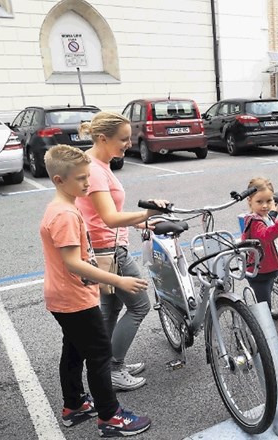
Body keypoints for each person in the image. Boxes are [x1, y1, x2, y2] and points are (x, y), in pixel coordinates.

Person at [40, 145, 151, 436]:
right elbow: (73, 263)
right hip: (73, 298)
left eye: (88, 177)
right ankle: (110, 417)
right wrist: (118, 280)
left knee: (74, 351)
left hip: (67, 297)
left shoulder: (65, 207)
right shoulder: (65, 214)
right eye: (81, 179)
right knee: (100, 356)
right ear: (59, 180)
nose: (88, 184)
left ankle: (74, 405)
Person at [75, 111, 168, 391]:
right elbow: (109, 218)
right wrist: (145, 214)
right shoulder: (94, 169)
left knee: (112, 308)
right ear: (103, 138)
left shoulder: (99, 164)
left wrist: (142, 222)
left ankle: (104, 366)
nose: (129, 144)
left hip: (107, 245)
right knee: (139, 306)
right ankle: (113, 368)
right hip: (108, 248)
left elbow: (103, 215)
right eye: (123, 139)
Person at [242, 178, 278, 329]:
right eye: (259, 201)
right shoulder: (254, 221)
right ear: (250, 201)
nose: (265, 205)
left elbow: (272, 227)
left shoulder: (265, 217)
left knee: (265, 302)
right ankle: (266, 338)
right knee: (264, 308)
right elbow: (266, 236)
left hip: (270, 268)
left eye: (269, 201)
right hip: (259, 273)